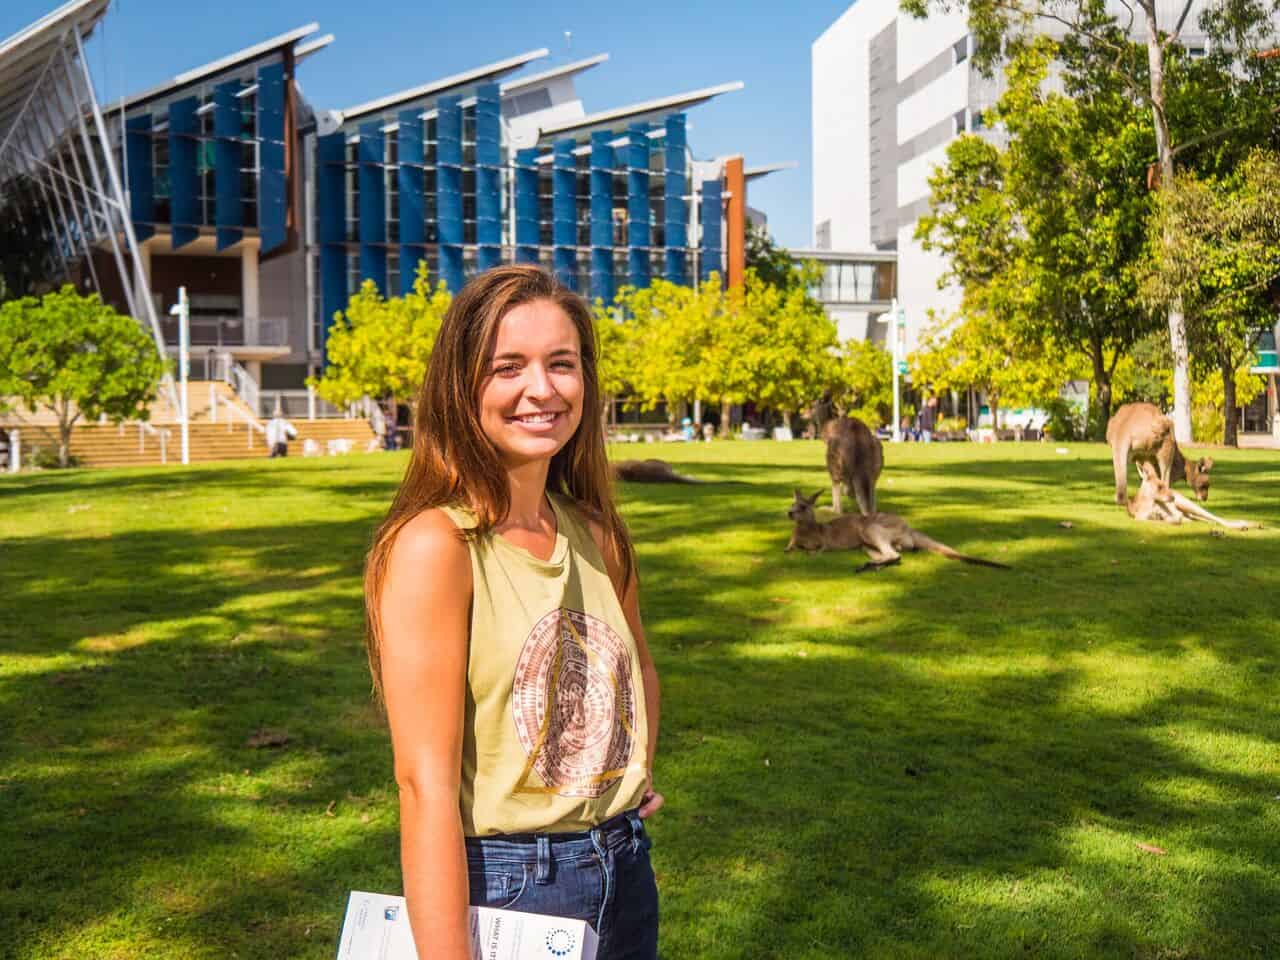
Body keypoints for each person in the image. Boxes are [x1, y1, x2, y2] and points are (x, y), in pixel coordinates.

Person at [364, 265, 663, 960]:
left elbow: (638, 664)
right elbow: (424, 787)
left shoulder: (597, 531)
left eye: (562, 363)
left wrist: (633, 765)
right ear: (461, 385)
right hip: (511, 890)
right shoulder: (436, 547)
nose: (543, 389)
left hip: (625, 869)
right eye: (509, 367)